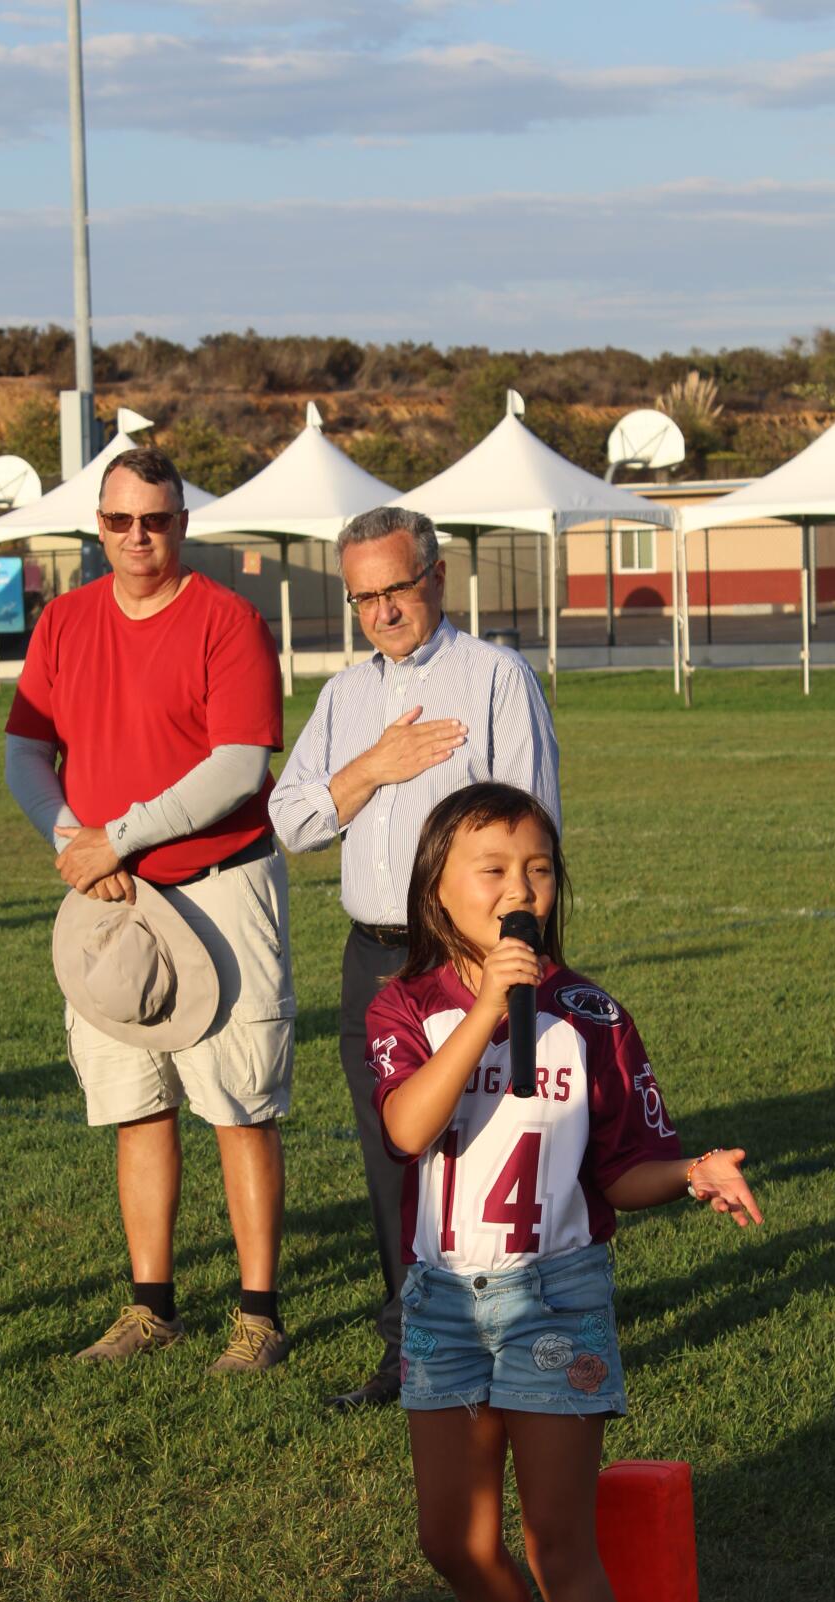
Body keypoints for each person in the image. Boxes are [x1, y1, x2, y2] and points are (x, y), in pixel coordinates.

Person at [365, 782, 762, 1602]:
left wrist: (690, 1175)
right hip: (445, 1293)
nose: (519, 889)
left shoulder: (592, 1014)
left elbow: (622, 1168)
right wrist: (489, 1008)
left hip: (556, 1292)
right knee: (450, 1539)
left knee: (558, 1542)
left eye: (537, 868)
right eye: (492, 870)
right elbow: (409, 1130)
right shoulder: (402, 1005)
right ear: (437, 891)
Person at [4, 445, 295, 1370]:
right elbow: (25, 754)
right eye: (120, 521)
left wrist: (116, 836)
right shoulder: (64, 621)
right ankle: (150, 1308)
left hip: (220, 886)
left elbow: (240, 765)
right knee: (136, 1105)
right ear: (98, 525)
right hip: (108, 899)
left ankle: (257, 1317)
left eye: (157, 521)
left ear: (182, 524)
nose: (138, 537)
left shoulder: (227, 620)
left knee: (239, 1104)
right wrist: (74, 846)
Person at [269, 506, 560, 1411]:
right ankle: (411, 1352)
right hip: (372, 959)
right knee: (391, 1158)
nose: (383, 611)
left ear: (437, 577)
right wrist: (375, 765)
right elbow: (292, 821)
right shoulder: (342, 699)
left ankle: (518, 1338)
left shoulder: (495, 679)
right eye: (363, 598)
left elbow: (531, 832)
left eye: (396, 588)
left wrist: (512, 960)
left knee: (492, 1148)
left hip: (465, 961)